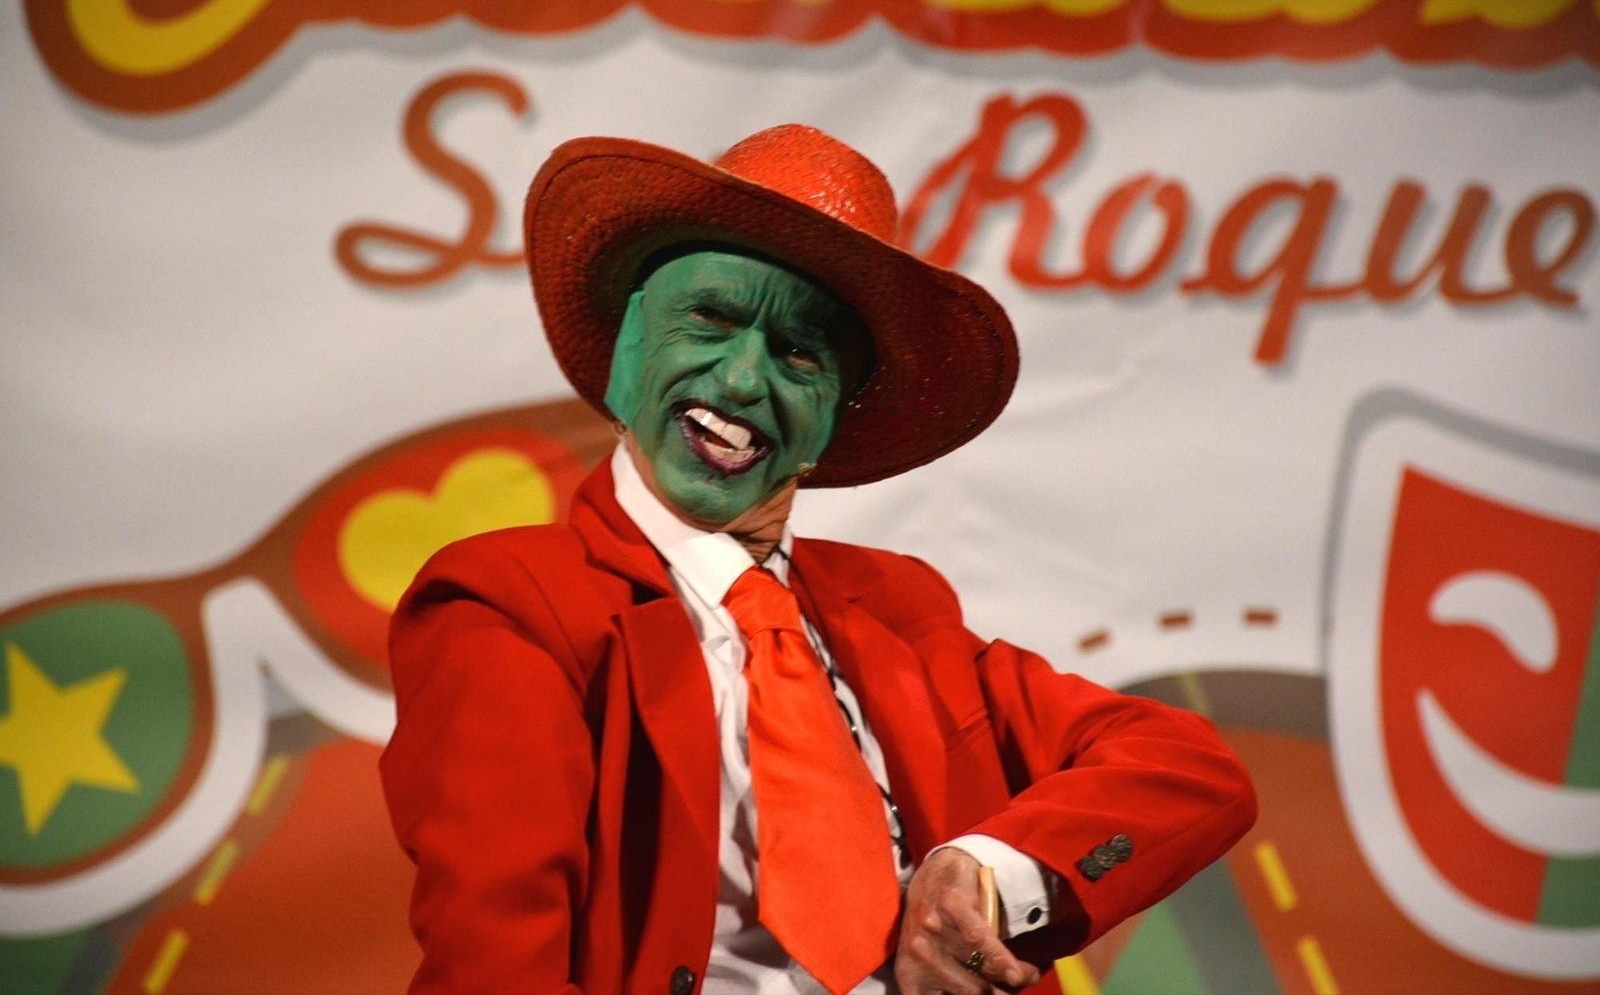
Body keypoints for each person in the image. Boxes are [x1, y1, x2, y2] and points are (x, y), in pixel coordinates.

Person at [379, 124, 1256, 995]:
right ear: (626, 355)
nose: (741, 381)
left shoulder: (898, 607)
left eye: (800, 352)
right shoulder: (510, 603)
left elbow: (1186, 767)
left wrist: (985, 866)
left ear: (834, 419)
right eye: (712, 319)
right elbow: (493, 967)